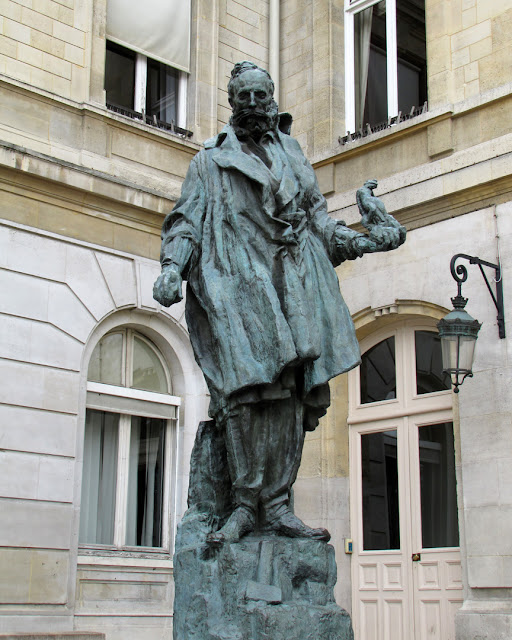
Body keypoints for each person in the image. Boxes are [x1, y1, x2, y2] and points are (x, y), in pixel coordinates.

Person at [153, 61, 405, 544]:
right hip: (241, 286)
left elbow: (316, 218)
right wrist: (172, 266)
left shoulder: (291, 152)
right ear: (232, 103)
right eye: (242, 97)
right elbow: (186, 219)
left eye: (258, 95)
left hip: (295, 286)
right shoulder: (209, 161)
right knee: (247, 393)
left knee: (292, 393)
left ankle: (279, 504)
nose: (251, 104)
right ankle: (246, 505)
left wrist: (360, 242)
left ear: (272, 98)